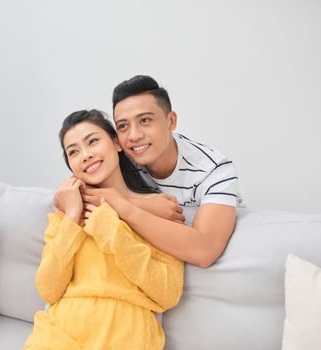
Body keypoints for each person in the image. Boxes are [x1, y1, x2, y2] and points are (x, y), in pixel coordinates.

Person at [23, 110, 184, 350]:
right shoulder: (65, 215)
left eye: (93, 141)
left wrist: (112, 232)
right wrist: (71, 218)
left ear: (117, 143)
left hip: (126, 334)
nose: (85, 155)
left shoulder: (159, 211)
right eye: (74, 152)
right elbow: (48, 290)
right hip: (57, 334)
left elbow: (167, 293)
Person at [79, 75, 243, 268]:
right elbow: (75, 192)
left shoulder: (214, 170)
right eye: (123, 126)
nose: (134, 136)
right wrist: (147, 205)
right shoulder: (122, 157)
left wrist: (121, 205)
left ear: (171, 121)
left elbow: (204, 251)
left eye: (145, 120)